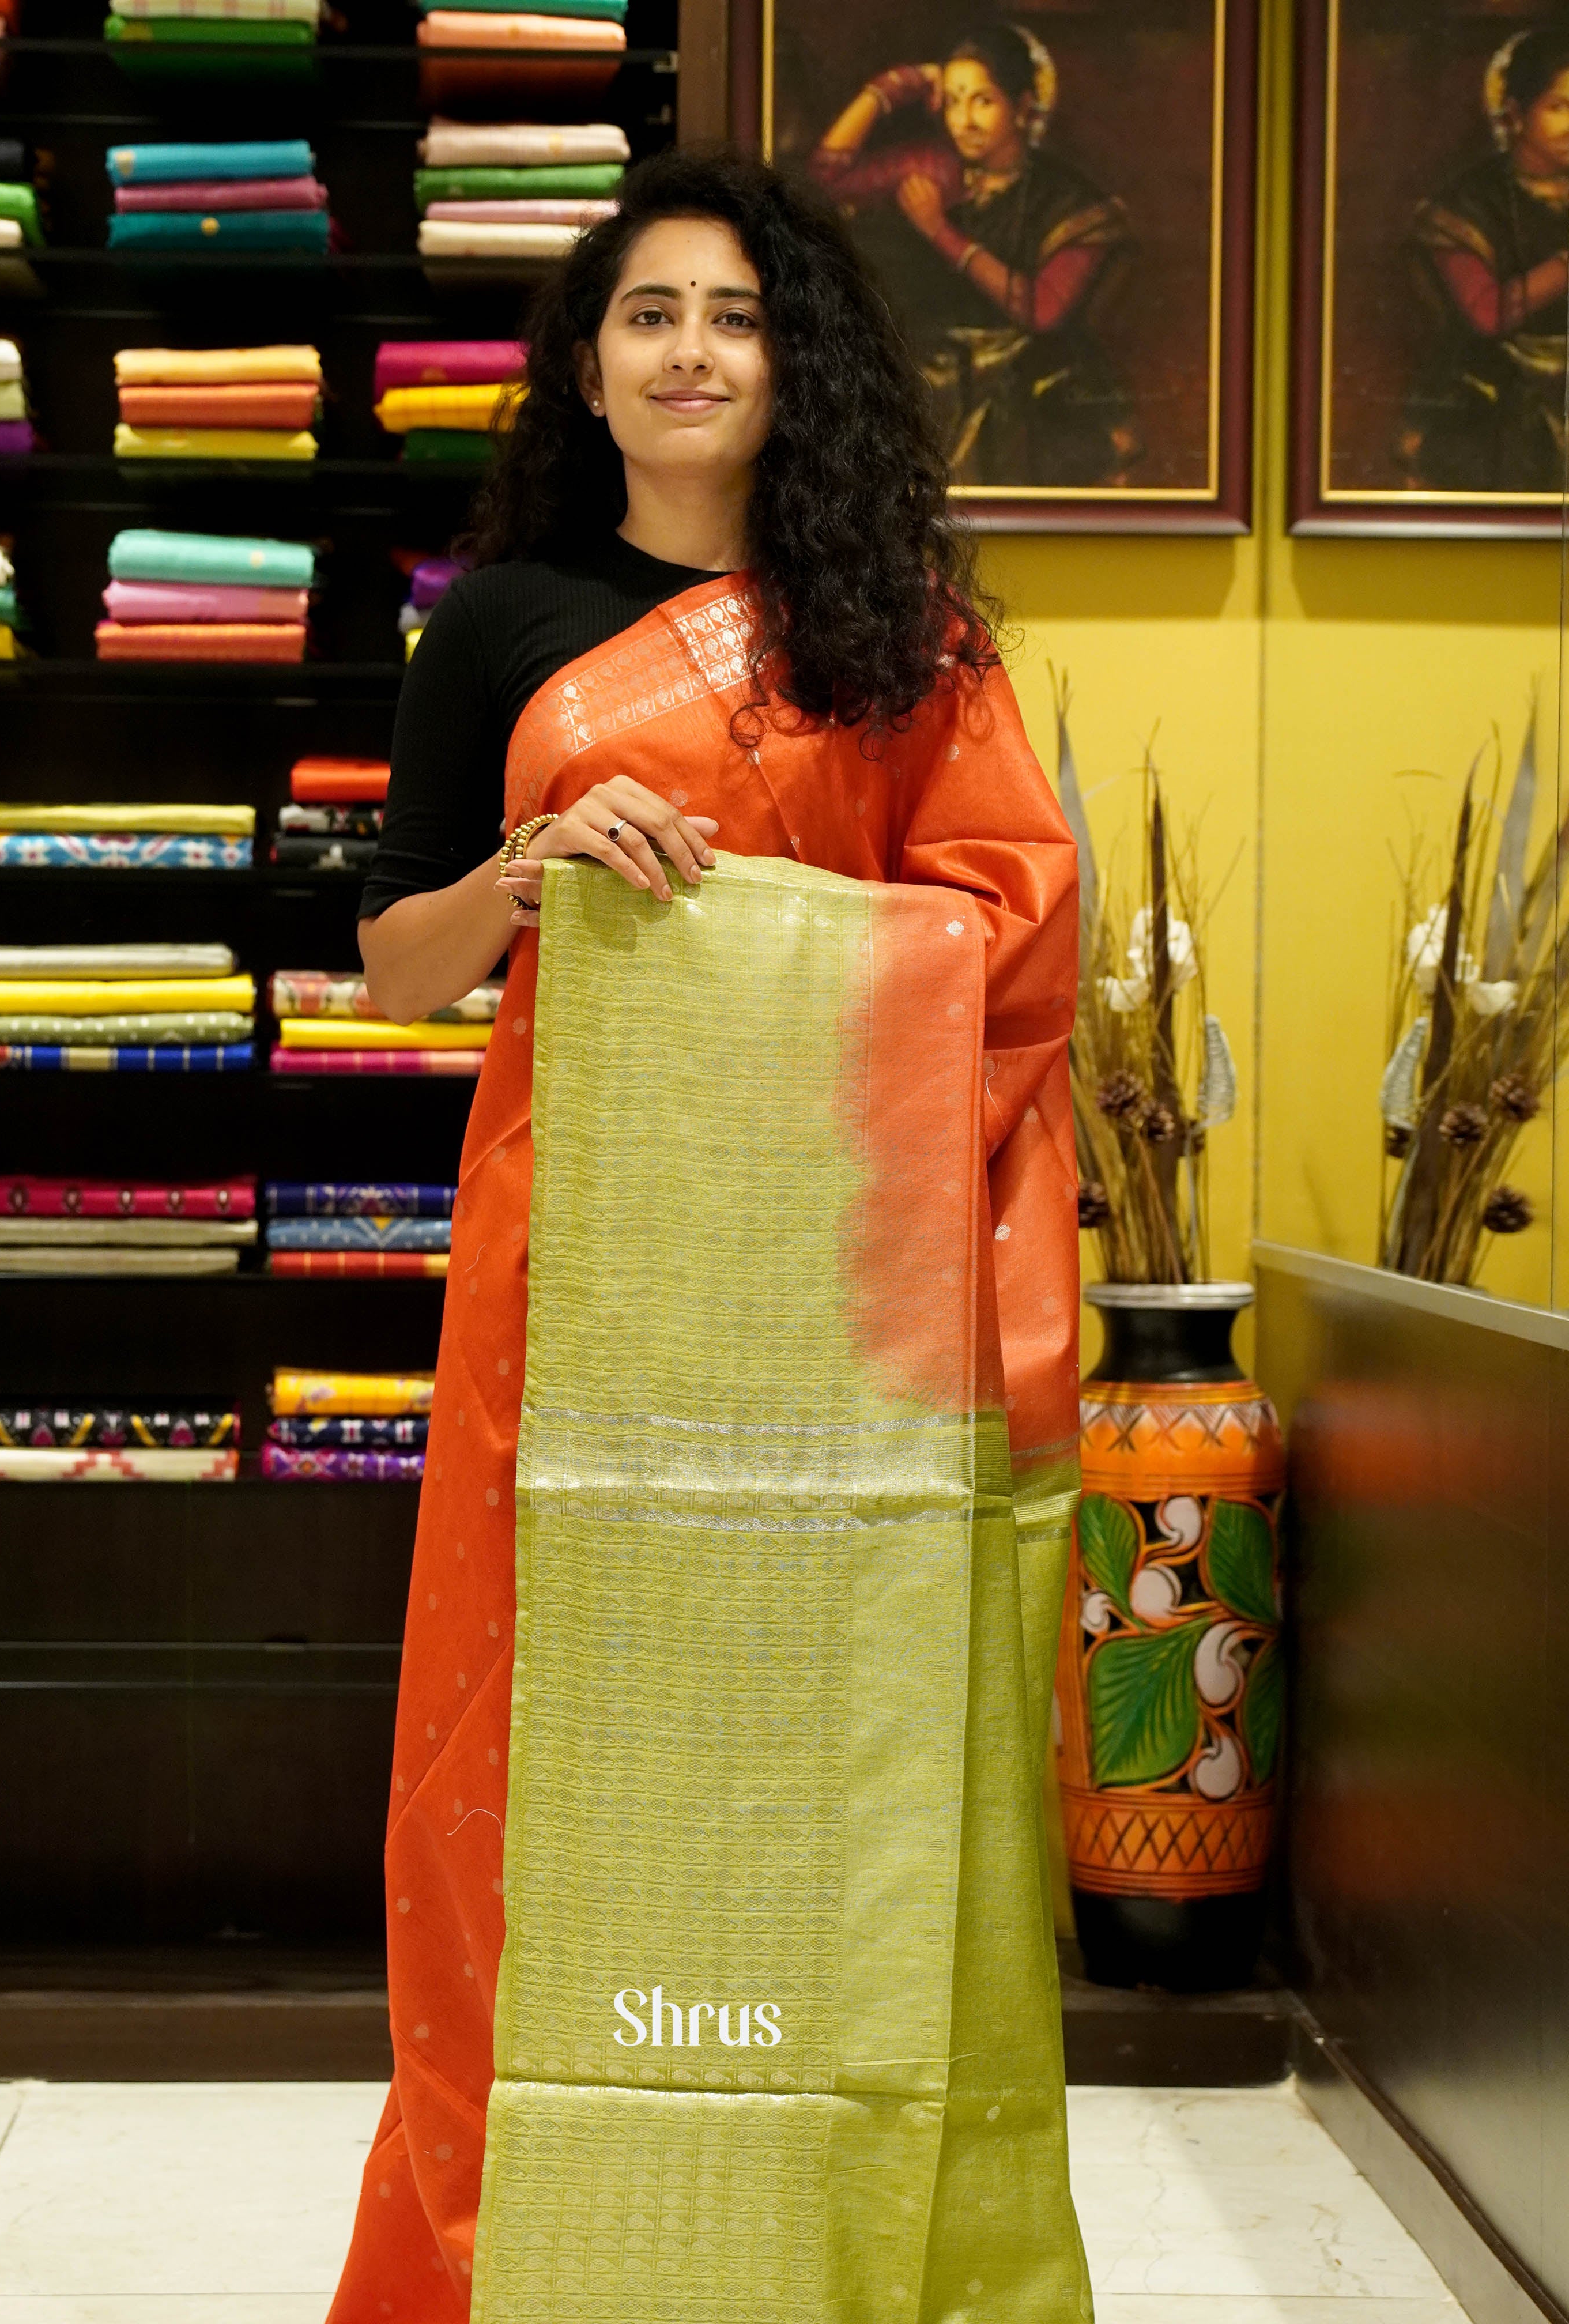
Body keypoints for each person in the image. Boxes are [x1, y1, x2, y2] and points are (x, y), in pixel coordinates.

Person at [327, 144, 1087, 2322]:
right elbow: (393, 965)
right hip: (569, 1273)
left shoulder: (894, 641)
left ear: (791, 368)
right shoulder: (496, 628)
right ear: (582, 364)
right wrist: (537, 851)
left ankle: (812, 2250)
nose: (686, 351)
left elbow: (1001, 937)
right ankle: (518, 2253)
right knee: (530, 1740)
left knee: (813, 1754)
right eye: (647, 313)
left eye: (732, 316)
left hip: (835, 1294)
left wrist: (774, 929)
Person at [810, 25, 1136, 486]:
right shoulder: (938, 167)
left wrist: (940, 231)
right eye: (954, 101)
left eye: (982, 101)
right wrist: (894, 87)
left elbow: (1041, 311)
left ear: (1022, 108)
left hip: (1028, 380)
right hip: (936, 368)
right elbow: (829, 175)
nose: (964, 120)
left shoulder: (1071, 203)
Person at [1404, 24, 1569, 492]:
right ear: (1515, 113)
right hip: (1499, 401)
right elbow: (1487, 314)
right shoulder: (1464, 207)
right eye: (1559, 108)